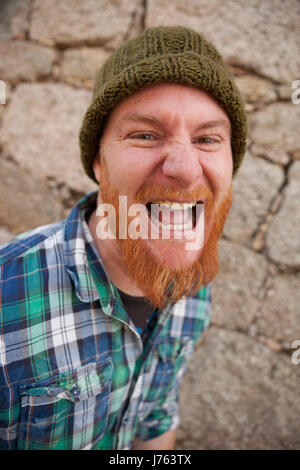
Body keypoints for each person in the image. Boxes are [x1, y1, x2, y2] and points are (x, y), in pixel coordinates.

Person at [0, 26, 247, 450]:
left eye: (208, 139)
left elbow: (155, 420)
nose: (186, 168)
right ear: (98, 160)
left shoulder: (193, 293)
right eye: (146, 134)